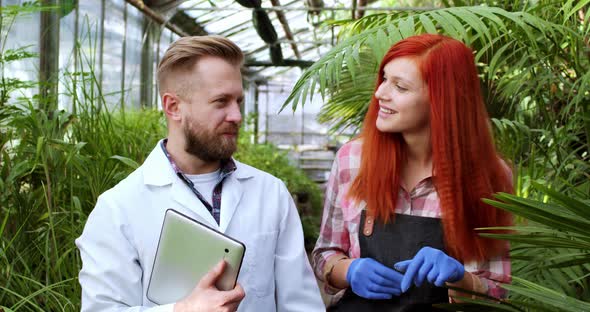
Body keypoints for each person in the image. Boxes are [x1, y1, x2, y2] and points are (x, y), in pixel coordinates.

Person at [76, 35, 325, 312]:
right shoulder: (118, 208)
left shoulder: (270, 193)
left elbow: (302, 304)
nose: (237, 115)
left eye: (238, 101)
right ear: (173, 107)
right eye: (221, 102)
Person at [311, 33, 513, 311]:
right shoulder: (353, 160)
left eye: (400, 87)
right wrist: (349, 270)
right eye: (384, 79)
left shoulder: (489, 178)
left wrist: (460, 278)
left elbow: (498, 291)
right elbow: (325, 253)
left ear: (442, 99)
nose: (380, 93)